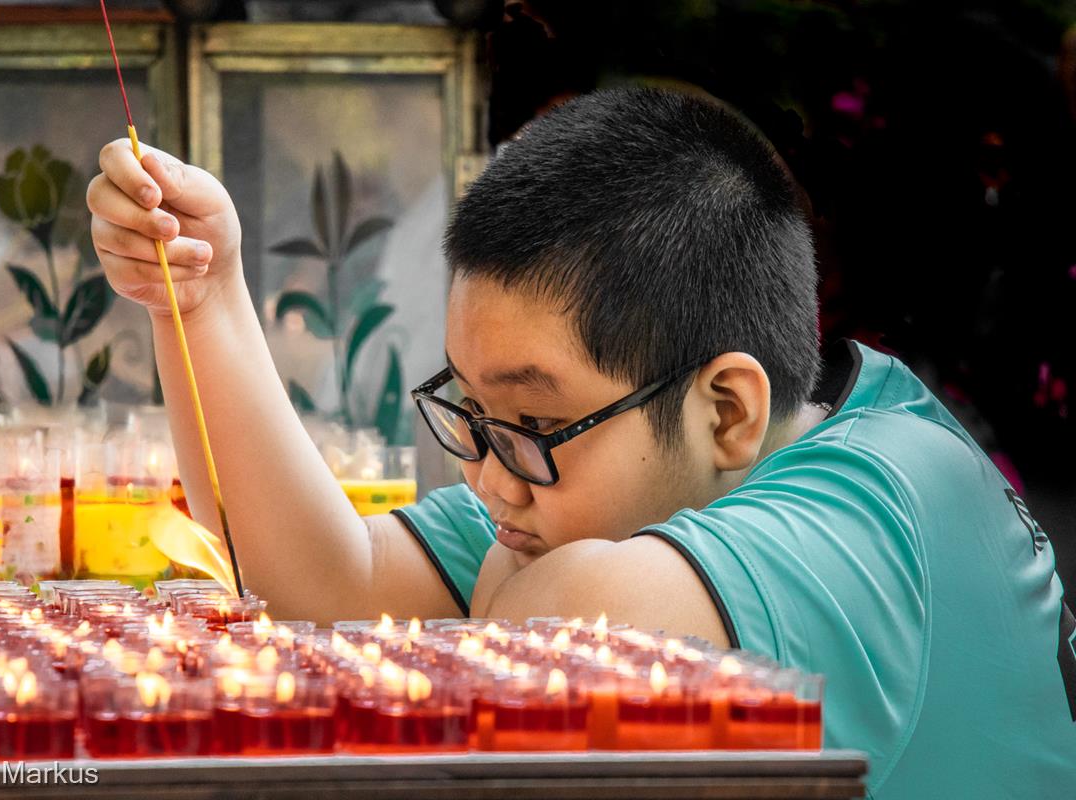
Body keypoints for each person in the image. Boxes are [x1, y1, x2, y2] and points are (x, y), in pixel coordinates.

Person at [88, 88, 1075, 798]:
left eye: (533, 422)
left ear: (726, 408)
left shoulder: (876, 507)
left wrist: (513, 589)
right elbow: (327, 587)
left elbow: (569, 621)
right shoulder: (611, 488)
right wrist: (201, 300)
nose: (484, 471)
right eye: (471, 409)